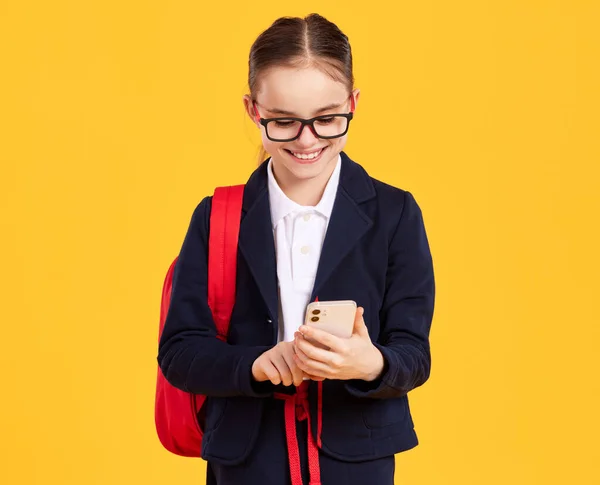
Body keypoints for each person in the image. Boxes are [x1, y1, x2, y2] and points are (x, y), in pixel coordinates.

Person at [157, 13, 435, 485]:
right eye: (283, 122)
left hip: (356, 463)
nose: (307, 141)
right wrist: (255, 364)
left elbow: (413, 354)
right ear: (253, 110)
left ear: (353, 103)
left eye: (327, 119)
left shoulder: (395, 213)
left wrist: (371, 363)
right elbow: (180, 352)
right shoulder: (217, 216)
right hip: (246, 461)